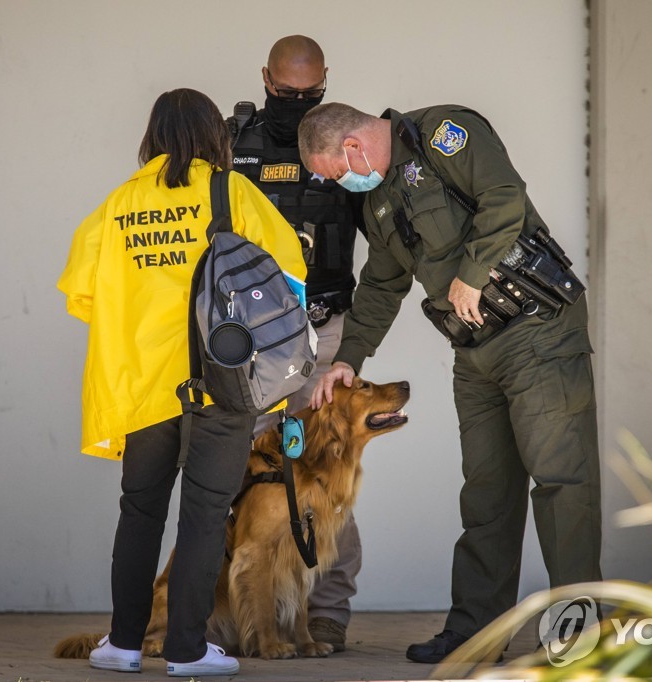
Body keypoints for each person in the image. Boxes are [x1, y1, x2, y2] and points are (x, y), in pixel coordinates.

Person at [298, 102, 602, 663]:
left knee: (562, 481)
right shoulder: (378, 199)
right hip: (474, 350)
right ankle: (476, 634)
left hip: (537, 333)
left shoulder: (443, 136)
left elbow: (504, 197)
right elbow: (382, 285)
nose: (344, 185)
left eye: (339, 173)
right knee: (486, 493)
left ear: (354, 148)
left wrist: (473, 273)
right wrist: (350, 359)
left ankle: (576, 635)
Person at [58, 88, 306, 676]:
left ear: (152, 135)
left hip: (142, 386)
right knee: (204, 514)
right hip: (217, 380)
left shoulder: (117, 204)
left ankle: (121, 644)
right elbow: (288, 272)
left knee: (139, 510)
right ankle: (187, 651)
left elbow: (82, 293)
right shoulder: (233, 192)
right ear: (211, 136)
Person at [227, 35, 366, 653]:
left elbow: (386, 235)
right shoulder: (234, 148)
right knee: (246, 474)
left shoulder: (345, 141)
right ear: (265, 80)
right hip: (257, 344)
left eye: (312, 93)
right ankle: (241, 614)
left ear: (326, 84)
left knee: (325, 468)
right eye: (287, 93)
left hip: (327, 329)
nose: (299, 103)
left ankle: (326, 612)